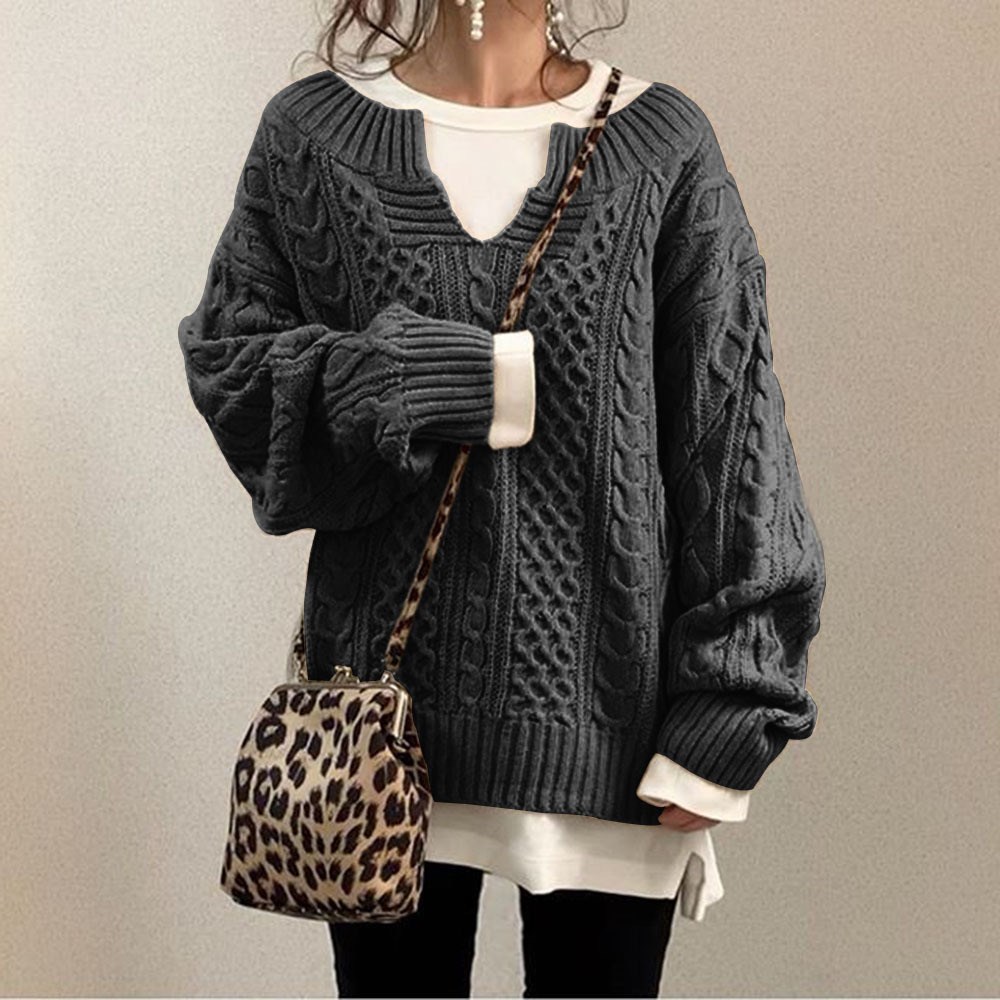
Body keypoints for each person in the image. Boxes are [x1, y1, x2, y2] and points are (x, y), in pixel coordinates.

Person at [177, 2, 826, 997]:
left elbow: (733, 439)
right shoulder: (310, 136)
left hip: (612, 738)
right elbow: (234, 372)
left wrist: (733, 700)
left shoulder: (662, 146)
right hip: (380, 743)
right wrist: (409, 379)